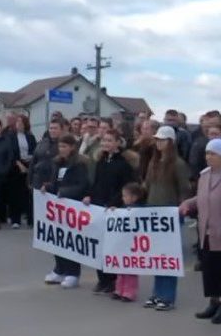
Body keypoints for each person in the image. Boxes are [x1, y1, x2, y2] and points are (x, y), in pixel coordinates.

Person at [182, 138, 221, 325]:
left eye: (212, 154)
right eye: (207, 153)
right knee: (209, 269)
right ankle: (213, 302)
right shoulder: (205, 175)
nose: (208, 157)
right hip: (205, 231)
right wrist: (188, 203)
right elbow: (201, 197)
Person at [143, 126, 190, 311]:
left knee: (168, 256)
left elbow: (184, 190)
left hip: (169, 215)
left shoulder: (178, 164)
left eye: (162, 140)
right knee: (157, 256)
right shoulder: (153, 163)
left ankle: (168, 296)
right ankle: (156, 293)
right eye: (157, 140)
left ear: (171, 142)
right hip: (152, 213)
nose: (159, 143)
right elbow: (146, 186)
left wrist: (181, 209)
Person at [82, 128, 135, 294]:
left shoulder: (124, 164)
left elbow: (125, 188)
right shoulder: (101, 161)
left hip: (114, 209)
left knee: (113, 246)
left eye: (110, 140)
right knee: (99, 245)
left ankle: (114, 280)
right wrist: (89, 195)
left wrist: (114, 203)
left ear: (118, 143)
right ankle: (102, 279)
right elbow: (96, 182)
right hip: (98, 207)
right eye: (104, 141)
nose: (105, 144)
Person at [41, 134, 91, 289]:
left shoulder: (79, 164)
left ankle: (73, 273)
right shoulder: (57, 163)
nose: (61, 149)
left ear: (72, 147)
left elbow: (82, 185)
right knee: (58, 239)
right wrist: (48, 187)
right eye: (60, 146)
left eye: (64, 146)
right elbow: (56, 183)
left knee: (70, 241)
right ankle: (59, 269)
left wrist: (65, 192)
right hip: (58, 207)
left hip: (72, 206)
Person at [112, 182, 147, 302]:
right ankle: (119, 289)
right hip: (123, 243)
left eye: (125, 196)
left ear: (134, 197)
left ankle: (130, 291)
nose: (123, 198)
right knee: (121, 267)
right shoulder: (123, 209)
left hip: (133, 244)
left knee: (130, 269)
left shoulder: (139, 210)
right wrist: (114, 212)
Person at [10, 114, 37, 228]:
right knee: (15, 193)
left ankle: (31, 219)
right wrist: (19, 164)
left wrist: (30, 161)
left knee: (29, 193)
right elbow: (10, 152)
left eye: (21, 122)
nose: (19, 124)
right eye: (17, 122)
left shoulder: (30, 137)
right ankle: (15, 220)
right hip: (16, 166)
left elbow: (35, 151)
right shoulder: (11, 136)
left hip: (29, 165)